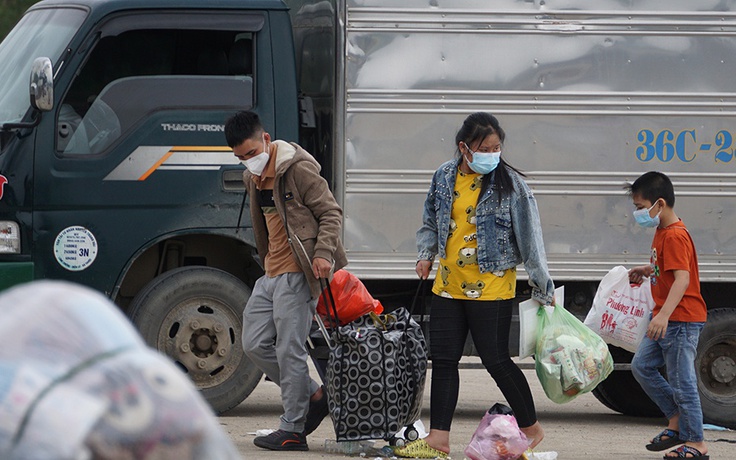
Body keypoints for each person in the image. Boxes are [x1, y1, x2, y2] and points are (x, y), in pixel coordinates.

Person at [398, 112, 554, 459]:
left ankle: (531, 428)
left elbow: (532, 240)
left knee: (496, 360)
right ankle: (438, 440)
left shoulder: (512, 185)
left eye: (497, 147)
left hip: (493, 287)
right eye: (485, 148)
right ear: (464, 148)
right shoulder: (443, 176)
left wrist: (543, 286)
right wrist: (426, 253)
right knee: (443, 360)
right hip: (448, 285)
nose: (492, 154)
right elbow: (429, 219)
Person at [224, 111, 348, 451]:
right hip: (272, 271)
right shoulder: (254, 177)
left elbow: (331, 212)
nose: (247, 161)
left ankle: (293, 428)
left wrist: (323, 253)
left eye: (250, 153)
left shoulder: (297, 169)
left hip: (299, 270)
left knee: (289, 349)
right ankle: (314, 395)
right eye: (240, 157)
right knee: (253, 343)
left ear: (265, 139)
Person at [627, 171, 709, 460]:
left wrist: (663, 317)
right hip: (666, 316)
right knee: (642, 367)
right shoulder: (662, 230)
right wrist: (647, 270)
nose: (638, 213)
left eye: (640, 206)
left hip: (680, 320)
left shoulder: (674, 235)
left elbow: (683, 280)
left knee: (682, 381)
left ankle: (696, 443)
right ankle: (675, 421)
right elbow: (669, 269)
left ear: (659, 204)